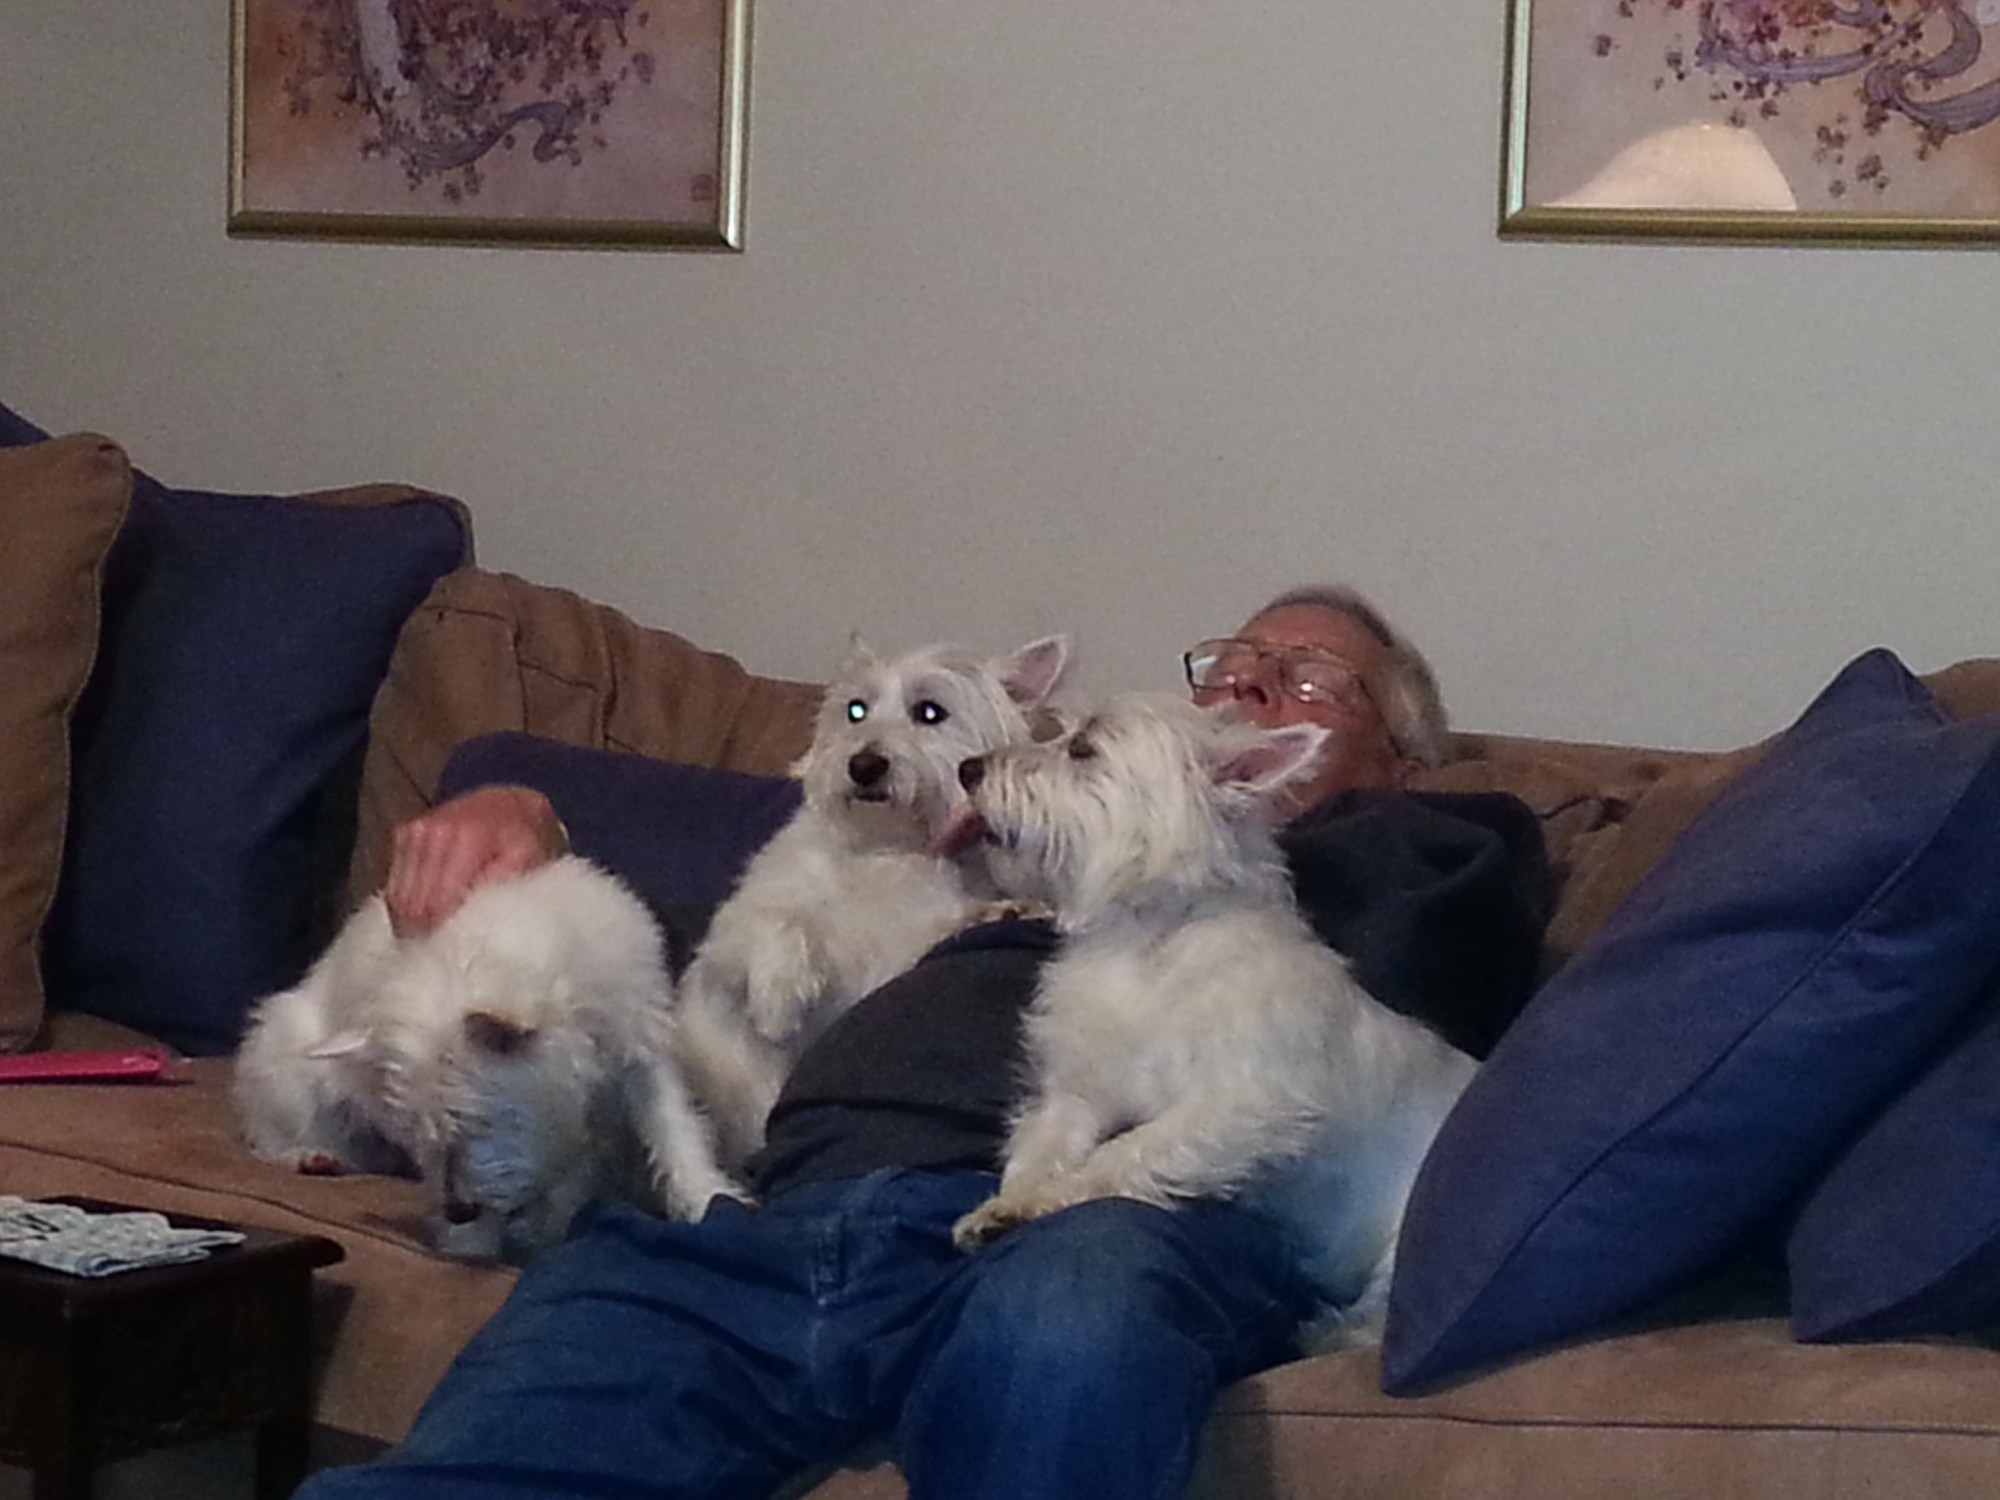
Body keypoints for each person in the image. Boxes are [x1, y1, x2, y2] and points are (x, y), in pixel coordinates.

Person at [298, 584, 1550, 1500]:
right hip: (785, 1216)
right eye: (1229, 661)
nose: (1248, 689)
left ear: (1398, 761)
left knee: (1066, 1325)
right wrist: (534, 820)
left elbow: (1339, 1063)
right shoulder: (1000, 850)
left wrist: (1166, 838)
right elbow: (728, 926)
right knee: (560, 1359)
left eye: (1312, 681)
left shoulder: (1418, 848)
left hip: (1103, 1219)